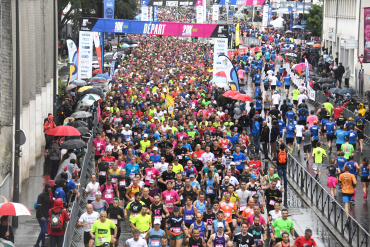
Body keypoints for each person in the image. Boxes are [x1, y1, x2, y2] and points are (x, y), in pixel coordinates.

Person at [34, 183, 52, 247]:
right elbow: (39, 207)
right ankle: (37, 243)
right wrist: (41, 216)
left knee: (43, 230)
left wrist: (48, 216)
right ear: (46, 188)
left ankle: (43, 244)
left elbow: (48, 207)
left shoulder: (48, 196)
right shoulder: (41, 196)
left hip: (46, 216)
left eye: (50, 187)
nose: (50, 189)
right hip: (41, 216)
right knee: (44, 230)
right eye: (49, 187)